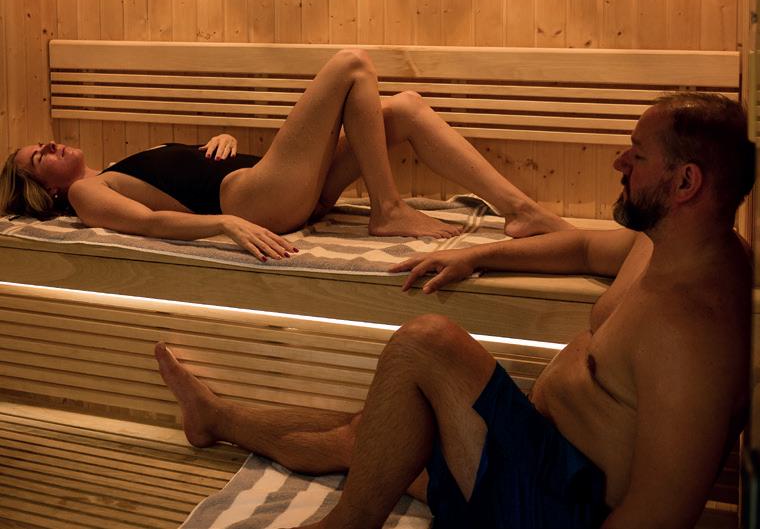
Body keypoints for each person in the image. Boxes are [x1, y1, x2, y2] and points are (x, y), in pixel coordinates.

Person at [155, 91, 754, 527]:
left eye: (637, 156)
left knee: (427, 341)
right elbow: (585, 246)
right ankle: (216, 419)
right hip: (540, 450)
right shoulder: (669, 243)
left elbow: (661, 516)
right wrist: (477, 255)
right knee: (373, 438)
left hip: (561, 504)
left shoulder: (696, 326)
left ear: (686, 183)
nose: (620, 163)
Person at [0, 49, 570, 262]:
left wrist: (220, 141)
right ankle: (388, 210)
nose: (49, 145)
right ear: (46, 189)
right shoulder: (85, 193)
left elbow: (175, 181)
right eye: (38, 157)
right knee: (351, 65)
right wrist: (224, 224)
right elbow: (149, 223)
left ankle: (521, 210)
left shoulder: (115, 168)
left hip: (274, 186)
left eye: (43, 143)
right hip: (256, 200)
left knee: (405, 107)